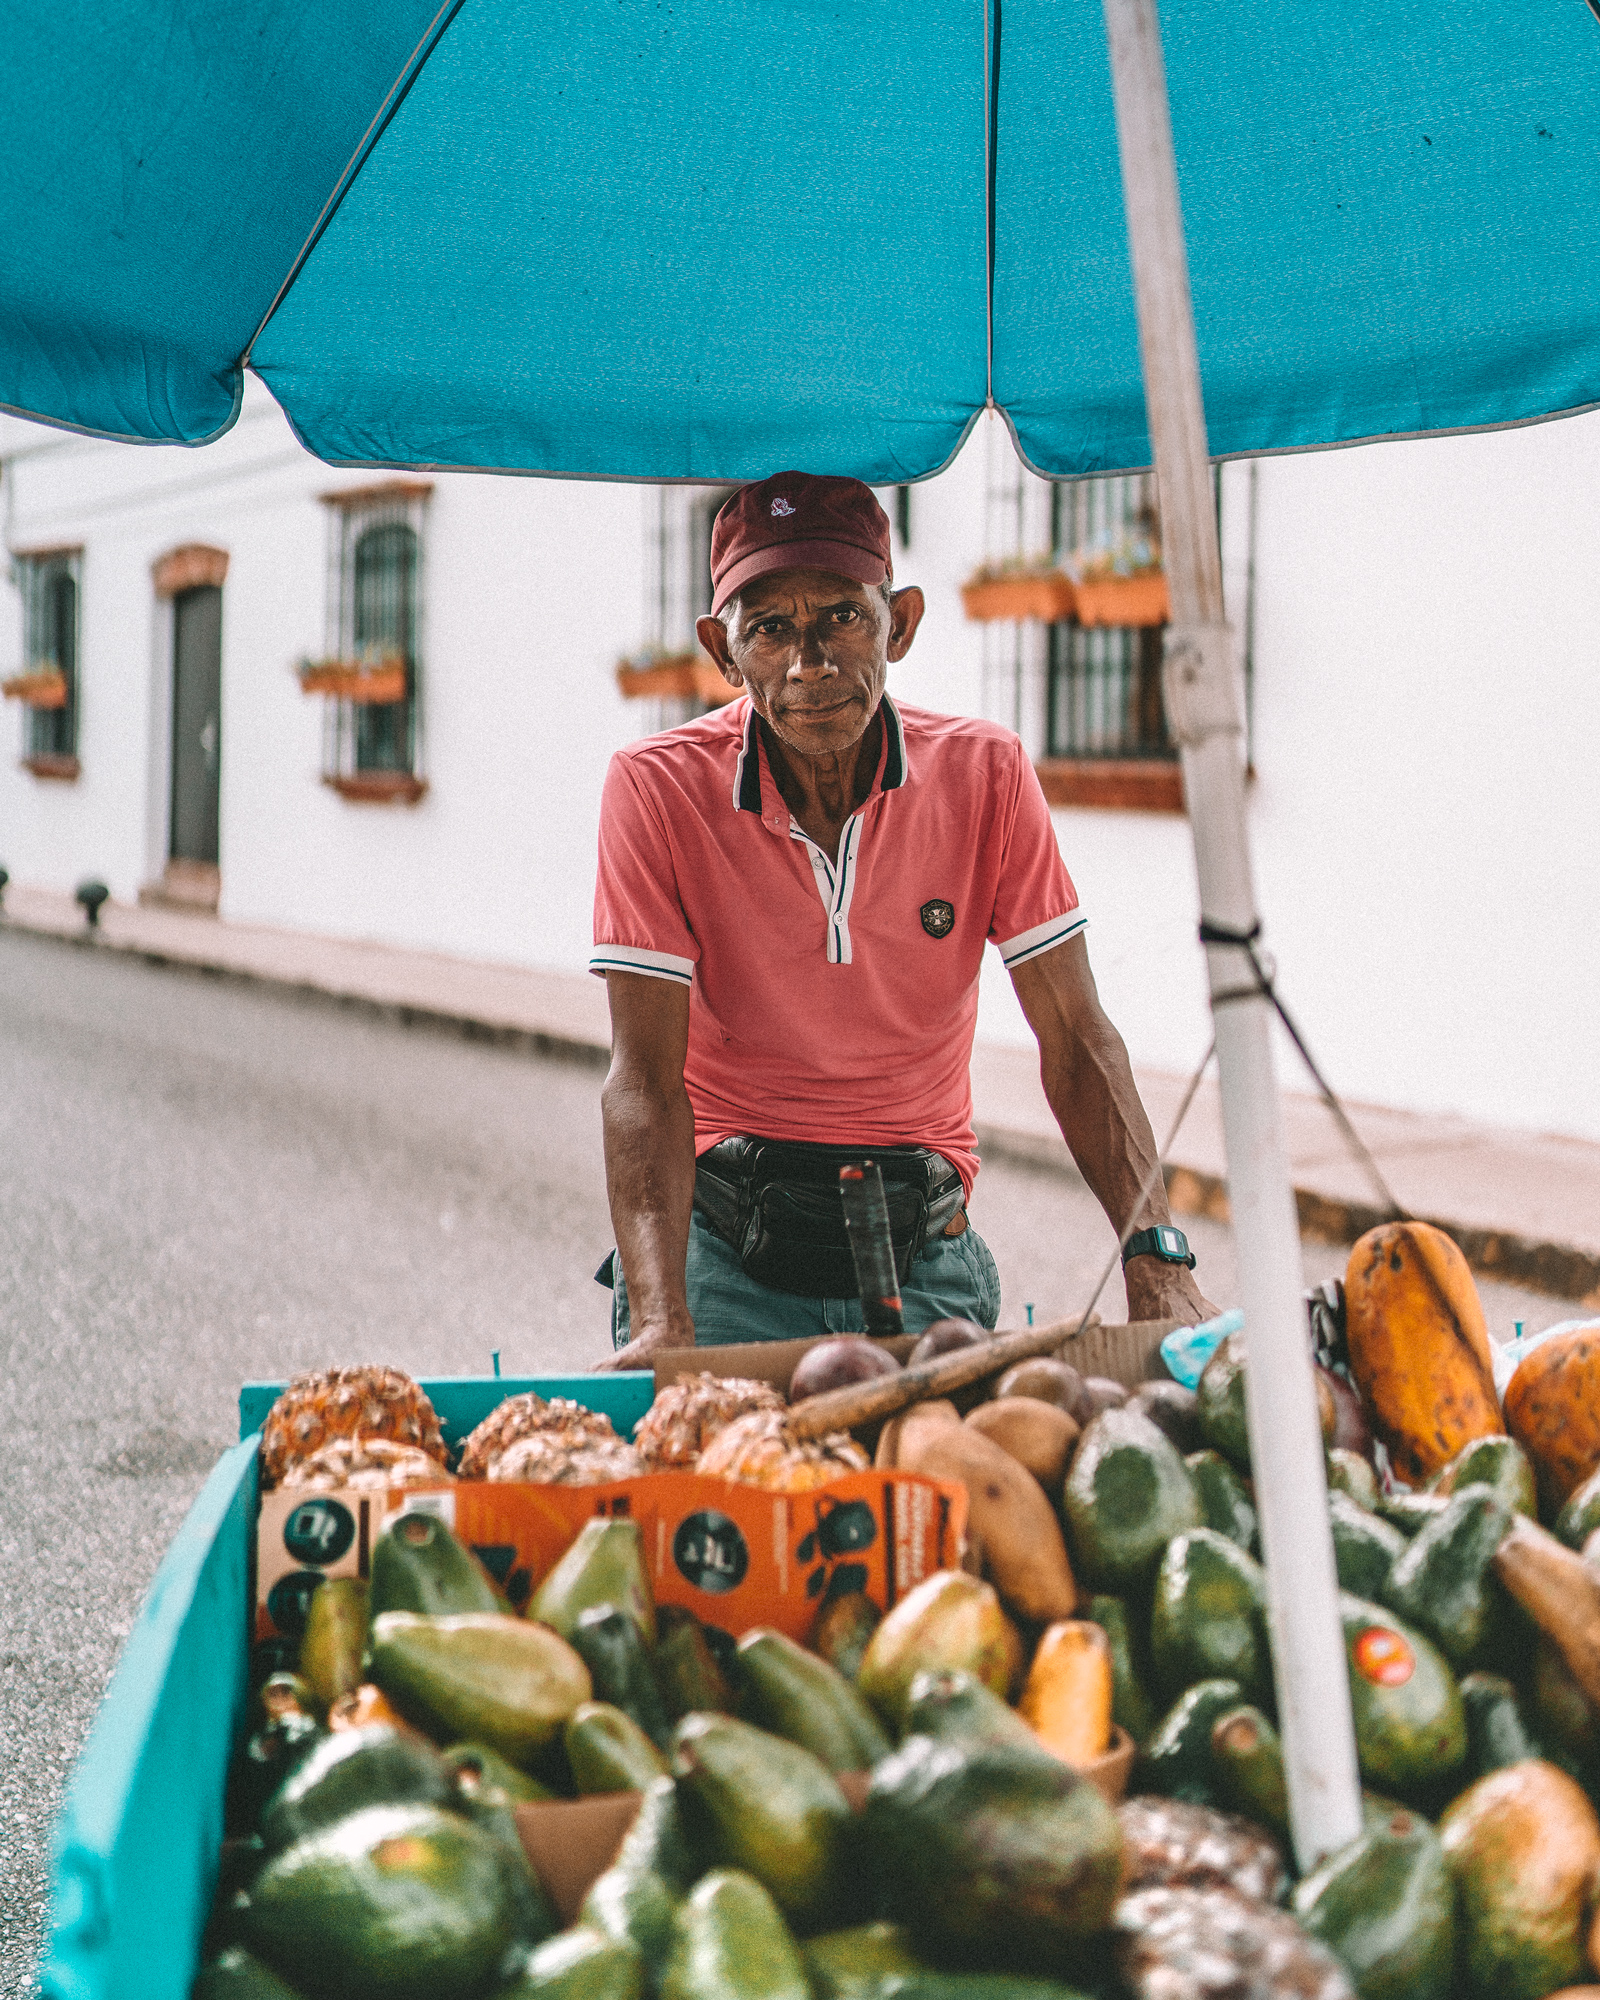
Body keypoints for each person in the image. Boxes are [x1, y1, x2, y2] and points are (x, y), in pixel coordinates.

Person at [592, 472, 1217, 1368]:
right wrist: (661, 1317)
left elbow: (1077, 1037)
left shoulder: (986, 774)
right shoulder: (656, 788)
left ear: (901, 622)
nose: (811, 662)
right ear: (723, 654)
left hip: (926, 1256)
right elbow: (643, 1082)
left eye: (842, 617)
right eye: (770, 629)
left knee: (950, 1496)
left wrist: (1155, 1255)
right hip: (725, 1267)